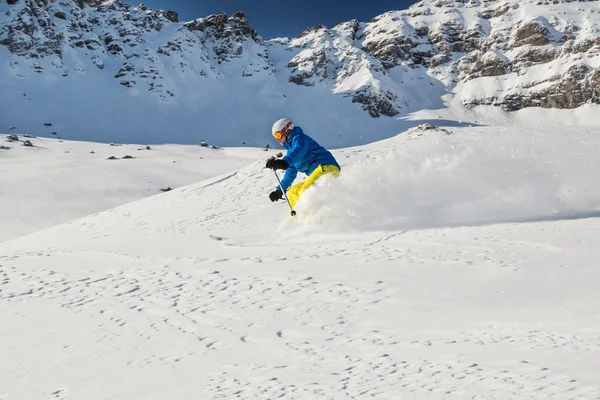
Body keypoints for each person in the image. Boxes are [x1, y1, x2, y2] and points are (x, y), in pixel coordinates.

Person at [265, 118, 340, 208]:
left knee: (304, 192)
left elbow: (299, 151)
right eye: (275, 137)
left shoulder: (300, 139)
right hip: (318, 173)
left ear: (286, 130)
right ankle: (297, 218)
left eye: (278, 135)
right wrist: (280, 190)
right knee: (293, 192)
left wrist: (284, 162)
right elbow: (290, 173)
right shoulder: (290, 151)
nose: (278, 140)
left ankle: (310, 216)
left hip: (326, 168)